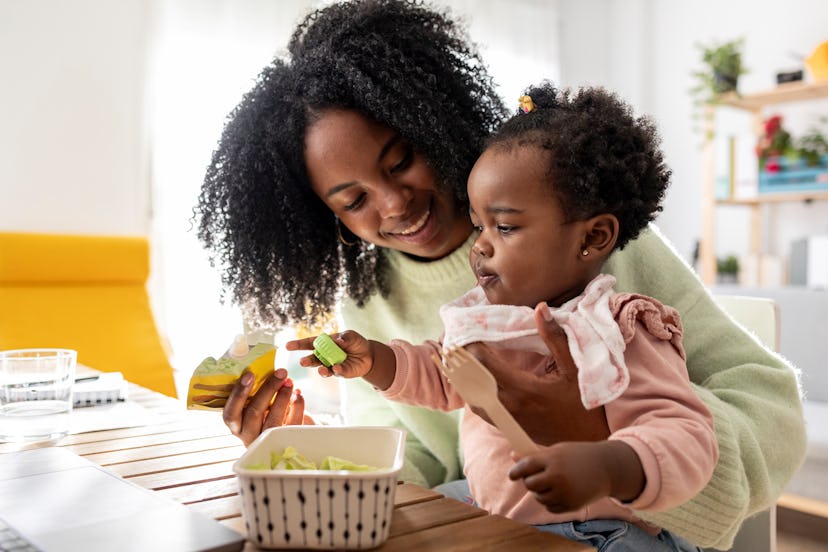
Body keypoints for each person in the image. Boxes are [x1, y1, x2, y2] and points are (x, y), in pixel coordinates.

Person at [194, 0, 805, 548]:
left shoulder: (585, 248)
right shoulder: (368, 301)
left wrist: (604, 440)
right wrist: (309, 451)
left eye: (402, 161)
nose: (394, 205)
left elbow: (772, 419)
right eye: (353, 201)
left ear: (434, 118)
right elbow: (417, 484)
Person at [288, 83, 718, 551]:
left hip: (603, 531)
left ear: (593, 237)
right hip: (491, 508)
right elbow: (441, 371)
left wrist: (606, 465)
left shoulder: (619, 328)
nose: (482, 245)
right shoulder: (489, 318)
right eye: (480, 226)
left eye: (505, 227)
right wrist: (374, 360)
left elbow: (688, 438)